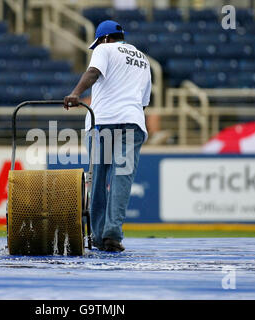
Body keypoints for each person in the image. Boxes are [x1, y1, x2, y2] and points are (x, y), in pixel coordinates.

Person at [64, 20, 151, 252]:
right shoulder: (143, 59)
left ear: (103, 38)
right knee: (122, 178)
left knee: (99, 178)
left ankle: (96, 235)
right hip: (133, 122)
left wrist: (75, 94)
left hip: (102, 121)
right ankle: (113, 234)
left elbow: (93, 72)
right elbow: (143, 103)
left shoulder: (104, 49)